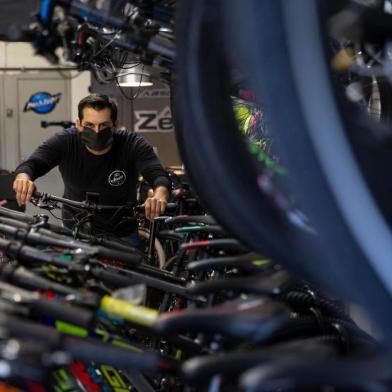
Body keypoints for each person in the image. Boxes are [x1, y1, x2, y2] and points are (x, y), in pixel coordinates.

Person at [13, 93, 170, 243]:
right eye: (89, 125)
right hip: (74, 231)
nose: (96, 132)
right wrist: (23, 179)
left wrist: (160, 195)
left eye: (103, 125)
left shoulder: (132, 143)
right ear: (79, 124)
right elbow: (32, 164)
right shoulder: (65, 141)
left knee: (130, 271)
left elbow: (157, 175)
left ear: (115, 125)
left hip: (122, 233)